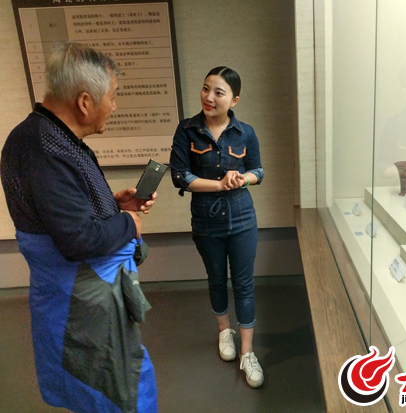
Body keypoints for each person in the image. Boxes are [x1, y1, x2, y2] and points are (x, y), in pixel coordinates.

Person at [0, 42, 158, 413]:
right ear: (85, 102)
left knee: (112, 383)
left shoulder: (46, 135)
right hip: (80, 301)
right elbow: (77, 239)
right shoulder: (46, 149)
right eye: (113, 97)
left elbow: (62, 213)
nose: (114, 106)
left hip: (81, 295)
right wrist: (128, 222)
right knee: (115, 390)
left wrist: (112, 205)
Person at [170, 66, 264, 388]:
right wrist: (219, 184)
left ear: (234, 99)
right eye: (205, 88)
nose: (209, 97)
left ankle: (247, 352)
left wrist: (242, 178)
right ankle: (225, 329)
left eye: (218, 92)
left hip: (242, 218)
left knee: (244, 283)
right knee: (216, 278)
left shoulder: (245, 132)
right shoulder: (187, 130)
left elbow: (258, 171)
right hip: (206, 219)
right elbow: (180, 176)